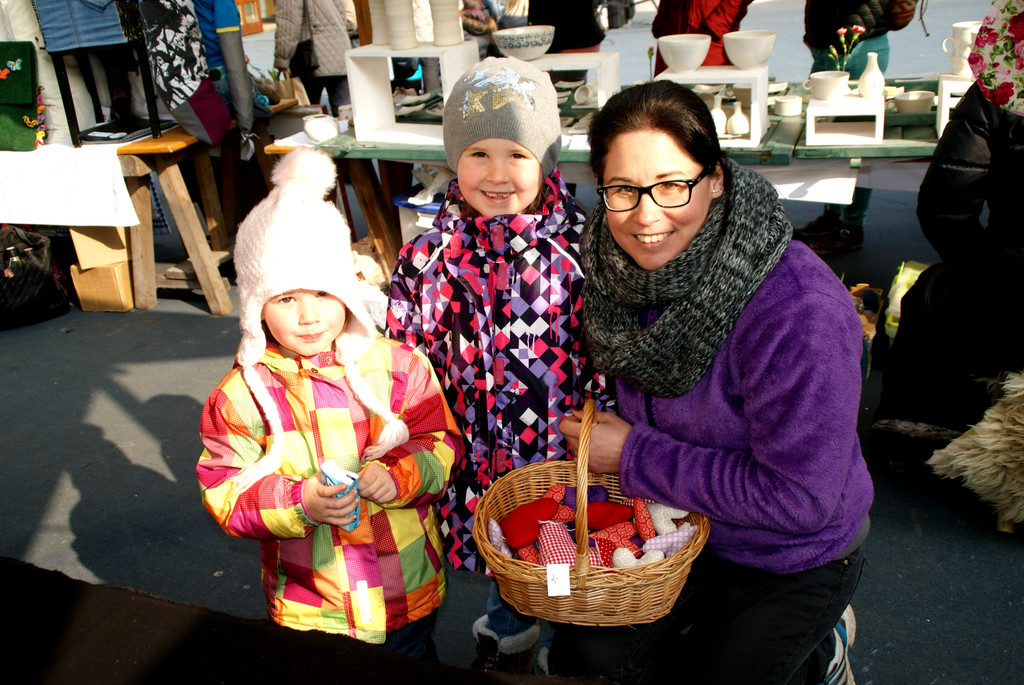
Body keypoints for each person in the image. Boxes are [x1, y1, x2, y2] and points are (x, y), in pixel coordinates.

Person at [548, 80, 873, 685]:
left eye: (672, 185)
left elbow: (801, 500)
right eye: (622, 189)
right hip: (674, 524)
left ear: (716, 178)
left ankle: (821, 650)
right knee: (584, 662)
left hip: (786, 554)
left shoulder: (798, 310)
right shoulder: (614, 268)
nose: (646, 216)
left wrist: (633, 455)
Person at [386, 56, 613, 674]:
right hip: (473, 453)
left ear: (547, 160)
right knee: (502, 562)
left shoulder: (582, 250)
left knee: (564, 565)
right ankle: (507, 644)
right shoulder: (427, 257)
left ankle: (565, 652)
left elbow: (609, 352)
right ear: (452, 158)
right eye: (477, 153)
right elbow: (403, 358)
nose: (496, 173)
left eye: (517, 154)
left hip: (557, 459)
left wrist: (603, 422)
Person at [197, 147, 462, 659]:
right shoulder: (240, 396)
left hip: (405, 589)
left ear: (347, 288)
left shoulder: (401, 366)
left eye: (322, 292)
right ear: (256, 309)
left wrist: (401, 475)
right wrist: (300, 502)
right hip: (315, 606)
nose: (309, 316)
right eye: (285, 299)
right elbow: (225, 488)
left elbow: (441, 442)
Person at [872, 0, 1024, 454]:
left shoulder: (1002, 87)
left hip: (1009, 290)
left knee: (929, 292)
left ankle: (921, 434)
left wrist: (996, 275)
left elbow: (944, 210)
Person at [797, 0, 895, 254]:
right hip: (839, 42)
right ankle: (835, 215)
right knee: (833, 138)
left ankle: (850, 226)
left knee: (856, 140)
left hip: (857, 43)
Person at [274, 0, 354, 116]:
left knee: (309, 114)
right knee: (345, 113)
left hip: (311, 58)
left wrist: (282, 58)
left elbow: (288, 24)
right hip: (340, 50)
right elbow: (344, 14)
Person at [651, 0, 757, 72]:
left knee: (710, 94)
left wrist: (719, 23)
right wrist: (662, 19)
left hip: (711, 37)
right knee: (666, 95)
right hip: (672, 35)